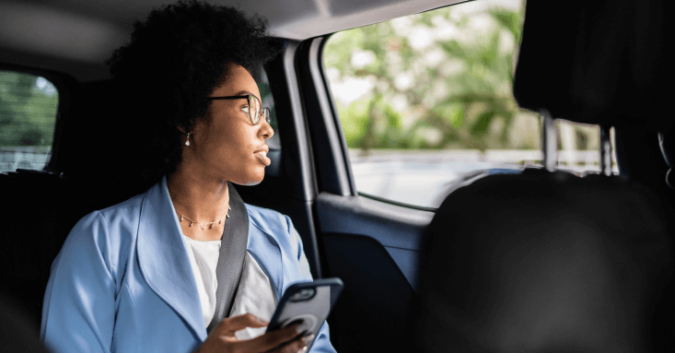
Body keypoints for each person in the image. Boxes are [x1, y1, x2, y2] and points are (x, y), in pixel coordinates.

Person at [39, 1, 335, 352]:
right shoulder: (102, 240)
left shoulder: (280, 234)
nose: (267, 129)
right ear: (188, 116)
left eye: (264, 111)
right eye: (248, 108)